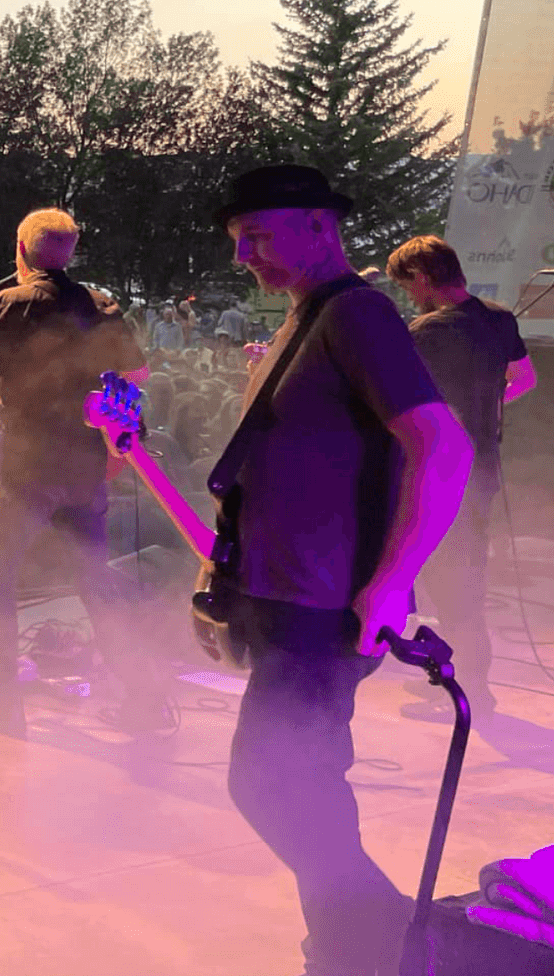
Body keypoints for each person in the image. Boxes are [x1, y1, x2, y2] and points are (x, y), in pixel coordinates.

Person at [197, 167, 472, 976]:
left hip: (325, 612)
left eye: (260, 234)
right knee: (300, 789)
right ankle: (356, 949)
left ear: (322, 226)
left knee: (275, 784)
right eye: (236, 240)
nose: (244, 253)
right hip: (287, 605)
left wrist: (391, 582)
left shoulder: (357, 311)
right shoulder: (305, 319)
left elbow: (443, 445)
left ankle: (387, 946)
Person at [0, 207, 162, 738]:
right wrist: (109, 425)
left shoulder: (14, 302)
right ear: (70, 252)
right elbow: (139, 372)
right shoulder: (101, 305)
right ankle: (147, 701)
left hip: (29, 467)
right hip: (88, 469)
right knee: (95, 581)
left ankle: (2, 704)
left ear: (22, 250)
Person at [384, 233, 536, 718]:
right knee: (464, 579)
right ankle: (457, 681)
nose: (410, 296)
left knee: (451, 584)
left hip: (439, 474)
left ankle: (471, 693)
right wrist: (485, 412)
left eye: (408, 286)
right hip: (482, 469)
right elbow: (525, 380)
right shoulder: (499, 319)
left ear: (422, 278)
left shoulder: (426, 332)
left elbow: (404, 406)